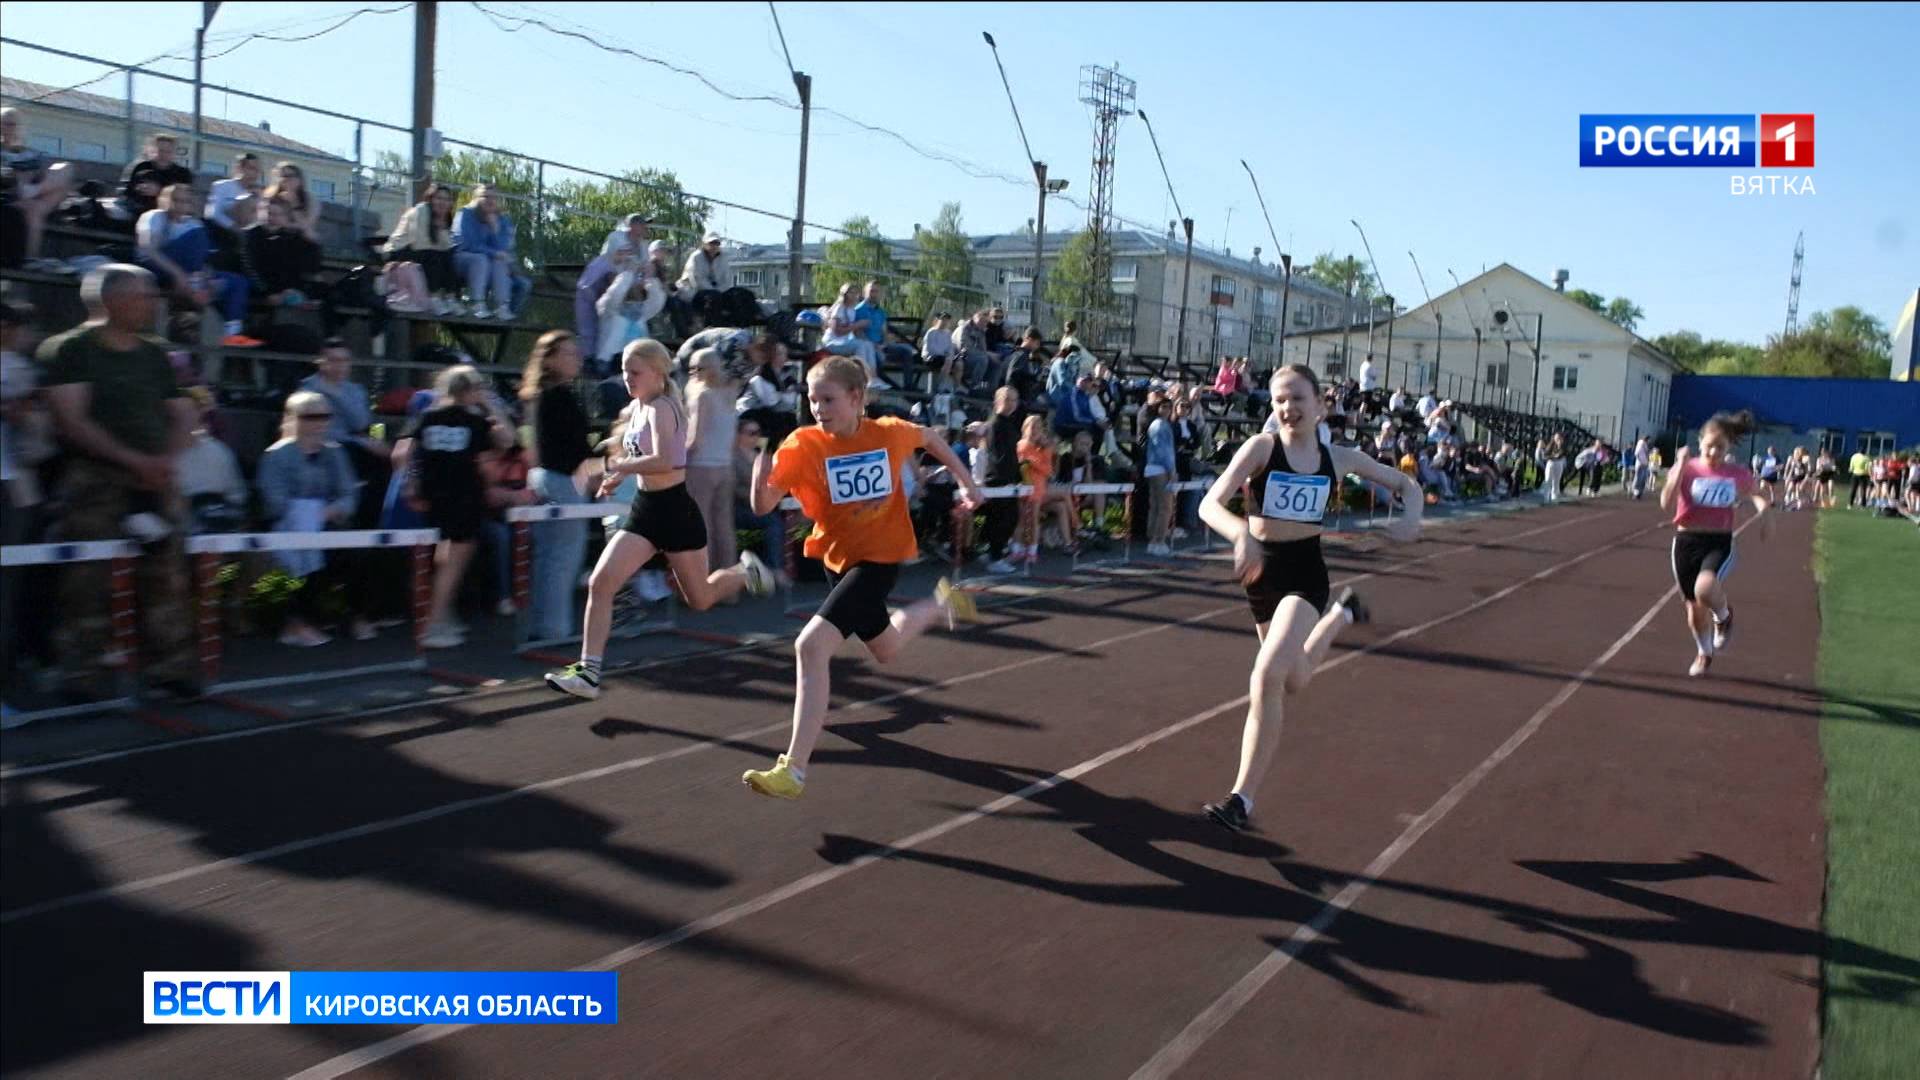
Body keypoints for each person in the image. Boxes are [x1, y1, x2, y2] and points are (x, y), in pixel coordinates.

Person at [738, 355, 985, 799]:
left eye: (828, 399)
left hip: (879, 559)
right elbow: (763, 506)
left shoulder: (886, 433)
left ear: (857, 399)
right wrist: (759, 477)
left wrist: (967, 483)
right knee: (886, 649)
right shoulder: (802, 445)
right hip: (838, 561)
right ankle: (942, 603)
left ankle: (793, 770)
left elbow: (930, 438)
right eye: (812, 400)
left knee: (810, 646)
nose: (818, 408)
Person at [1197, 364, 1422, 832]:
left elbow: (1406, 485)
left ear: (1321, 405)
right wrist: (1241, 534)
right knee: (1293, 679)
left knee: (1266, 675)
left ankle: (1241, 799)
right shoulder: (1262, 448)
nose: (1287, 408)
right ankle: (1342, 615)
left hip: (1304, 573)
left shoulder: (1338, 458)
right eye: (1279, 399)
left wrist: (1410, 521)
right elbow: (1209, 504)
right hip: (1260, 575)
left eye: (1298, 398)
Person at [544, 339, 775, 699]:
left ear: (657, 372)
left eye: (634, 372)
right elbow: (640, 457)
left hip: (674, 513)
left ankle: (745, 572)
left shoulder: (664, 408)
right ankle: (589, 672)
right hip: (645, 510)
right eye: (623, 371)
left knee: (700, 600)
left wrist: (611, 464)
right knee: (602, 583)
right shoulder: (638, 408)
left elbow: (668, 461)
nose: (626, 378)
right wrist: (618, 476)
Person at [38, 264, 201, 702]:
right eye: (143, 294)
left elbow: (183, 411)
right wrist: (132, 460)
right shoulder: (69, 349)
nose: (153, 302)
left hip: (153, 480)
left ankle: (171, 669)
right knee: (85, 577)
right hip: (94, 478)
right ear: (112, 301)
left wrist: (165, 459)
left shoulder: (153, 353)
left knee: (167, 572)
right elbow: (70, 419)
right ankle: (80, 674)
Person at [403, 365, 517, 648]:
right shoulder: (473, 420)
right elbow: (507, 440)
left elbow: (402, 451)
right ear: (470, 390)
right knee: (454, 560)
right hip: (464, 495)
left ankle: (444, 615)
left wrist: (410, 482)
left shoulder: (427, 417)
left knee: (447, 555)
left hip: (435, 494)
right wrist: (492, 407)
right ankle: (433, 623)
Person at [1660, 409, 1772, 678]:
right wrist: (1679, 466)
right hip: (1686, 541)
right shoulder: (1687, 469)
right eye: (1709, 447)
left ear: (1728, 448)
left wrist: (1765, 512)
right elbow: (1666, 504)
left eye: (1720, 448)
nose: (1713, 453)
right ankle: (1704, 652)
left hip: (1718, 541)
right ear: (1700, 443)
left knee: (1706, 587)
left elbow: (1756, 493)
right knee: (1693, 609)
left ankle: (1724, 617)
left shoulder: (1736, 473)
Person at [257, 390, 372, 647]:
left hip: (328, 521)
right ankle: (296, 623)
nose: (318, 423)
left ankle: (353, 616)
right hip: (286, 525)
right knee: (310, 550)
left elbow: (348, 495)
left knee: (358, 552)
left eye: (324, 416)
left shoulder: (335, 452)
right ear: (291, 418)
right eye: (310, 416)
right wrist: (308, 512)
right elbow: (274, 501)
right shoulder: (275, 456)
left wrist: (327, 512)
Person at [519, 330, 594, 643]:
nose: (576, 359)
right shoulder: (556, 397)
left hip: (549, 478)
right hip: (562, 481)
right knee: (562, 558)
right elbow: (572, 447)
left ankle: (545, 626)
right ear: (549, 359)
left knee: (549, 558)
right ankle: (553, 630)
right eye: (568, 353)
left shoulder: (542, 395)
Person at [135, 184, 261, 348]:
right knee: (198, 234)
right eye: (176, 200)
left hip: (189, 273)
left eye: (185, 201)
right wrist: (180, 275)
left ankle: (232, 334)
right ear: (164, 200)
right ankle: (196, 285)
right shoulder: (154, 217)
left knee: (238, 282)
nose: (180, 205)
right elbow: (149, 250)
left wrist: (206, 276)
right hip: (155, 266)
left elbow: (201, 258)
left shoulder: (192, 223)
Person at [684, 346, 742, 577]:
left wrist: (677, 460)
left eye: (696, 368)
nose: (693, 372)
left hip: (702, 467)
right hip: (725, 467)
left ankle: (702, 583)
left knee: (702, 526)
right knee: (724, 527)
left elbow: (694, 439)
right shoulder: (729, 393)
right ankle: (729, 587)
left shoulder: (702, 395)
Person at [1, 108, 76, 263]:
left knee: (65, 167)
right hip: (10, 196)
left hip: (35, 190)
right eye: (5, 124)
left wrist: (35, 181)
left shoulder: (32, 153)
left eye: (13, 124)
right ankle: (31, 258)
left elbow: (49, 173)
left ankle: (31, 191)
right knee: (34, 209)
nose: (9, 128)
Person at [383, 184, 460, 316]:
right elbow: (419, 243)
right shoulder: (421, 210)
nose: (443, 203)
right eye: (439, 198)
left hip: (423, 251)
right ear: (430, 199)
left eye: (447, 199)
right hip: (398, 251)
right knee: (435, 256)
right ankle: (434, 298)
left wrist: (441, 229)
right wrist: (441, 240)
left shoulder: (445, 217)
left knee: (450, 256)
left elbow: (446, 246)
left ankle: (451, 298)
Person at [452, 184, 527, 319]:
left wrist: (494, 228)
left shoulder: (502, 220)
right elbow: (466, 244)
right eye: (485, 196)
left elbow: (504, 250)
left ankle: (502, 307)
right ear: (476, 198)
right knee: (481, 259)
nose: (490, 200)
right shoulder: (465, 214)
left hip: (488, 265)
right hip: (462, 261)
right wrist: (493, 253)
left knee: (500, 262)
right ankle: (476, 303)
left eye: (493, 197)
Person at [118, 134, 193, 218]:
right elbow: (123, 194)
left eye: (168, 152)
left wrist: (160, 192)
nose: (164, 155)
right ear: (149, 151)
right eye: (160, 151)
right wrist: (137, 190)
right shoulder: (138, 167)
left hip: (171, 216)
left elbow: (186, 200)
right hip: (138, 214)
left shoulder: (182, 173)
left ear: (175, 153)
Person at [262, 161, 322, 242]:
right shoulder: (270, 197)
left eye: (291, 176)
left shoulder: (309, 199)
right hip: (275, 236)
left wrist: (294, 203)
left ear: (299, 179)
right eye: (283, 176)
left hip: (300, 238)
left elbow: (306, 225)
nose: (286, 180)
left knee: (311, 235)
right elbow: (265, 222)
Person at [204, 152, 261, 230]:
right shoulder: (222, 186)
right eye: (251, 168)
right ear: (240, 168)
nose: (255, 173)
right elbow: (212, 213)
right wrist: (233, 227)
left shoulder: (258, 193)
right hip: (220, 232)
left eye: (257, 170)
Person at [1783, 447, 1811, 511]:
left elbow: (1808, 470)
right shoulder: (1793, 460)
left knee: (1799, 492)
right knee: (1789, 489)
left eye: (1797, 452)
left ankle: (1799, 505)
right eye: (1795, 452)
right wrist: (1787, 478)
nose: (1795, 454)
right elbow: (1791, 469)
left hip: (1802, 477)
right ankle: (1788, 503)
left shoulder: (1805, 460)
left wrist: (1804, 481)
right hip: (1795, 476)